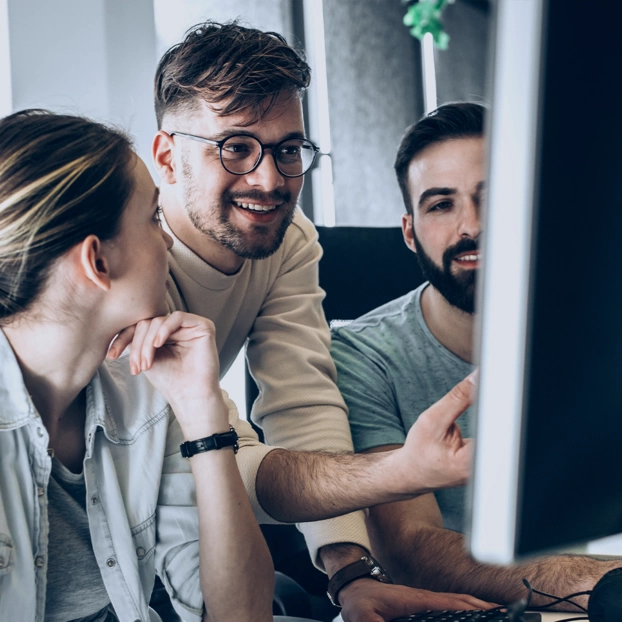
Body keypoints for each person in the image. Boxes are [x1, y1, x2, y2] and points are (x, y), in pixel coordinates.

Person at [0, 110, 486, 622]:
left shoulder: (143, 386)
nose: (165, 240)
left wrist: (202, 410)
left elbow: (239, 616)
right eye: (150, 219)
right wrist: (400, 472)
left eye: (288, 150)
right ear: (98, 263)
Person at [151, 20, 488, 621]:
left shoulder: (288, 238)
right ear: (167, 156)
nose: (269, 179)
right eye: (235, 146)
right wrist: (398, 472)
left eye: (288, 149)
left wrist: (350, 573)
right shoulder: (131, 262)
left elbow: (301, 405)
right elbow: (220, 452)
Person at [330, 102, 621, 611]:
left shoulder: (603, 323)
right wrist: (602, 587)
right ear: (409, 231)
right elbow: (410, 548)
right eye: (441, 204)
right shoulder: (363, 353)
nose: (472, 226)